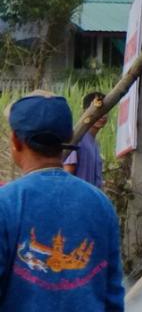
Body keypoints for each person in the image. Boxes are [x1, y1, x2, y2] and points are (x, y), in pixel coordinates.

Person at [0, 92, 124, 311]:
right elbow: (112, 295)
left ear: (16, 141)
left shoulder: (7, 203)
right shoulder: (101, 204)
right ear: (68, 139)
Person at [63, 91, 106, 188]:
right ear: (84, 112)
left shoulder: (95, 144)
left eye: (105, 111)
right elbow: (68, 173)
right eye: (98, 110)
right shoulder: (76, 137)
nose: (102, 115)